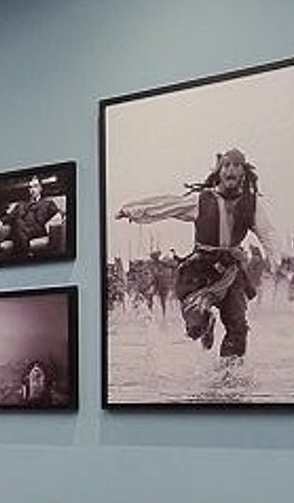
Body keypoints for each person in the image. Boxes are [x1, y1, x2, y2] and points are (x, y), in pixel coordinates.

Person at [116, 146, 277, 360]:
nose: (231, 169)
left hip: (230, 271)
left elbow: (268, 233)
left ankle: (229, 373)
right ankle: (206, 323)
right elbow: (169, 205)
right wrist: (133, 210)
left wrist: (276, 258)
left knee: (238, 327)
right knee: (195, 327)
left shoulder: (252, 204)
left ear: (243, 172)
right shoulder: (202, 200)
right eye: (226, 165)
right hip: (199, 271)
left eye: (236, 165)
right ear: (220, 172)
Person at [0, 174, 66, 263]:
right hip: (19, 230)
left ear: (40, 188)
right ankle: (26, 254)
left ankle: (20, 256)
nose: (32, 189)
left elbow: (60, 213)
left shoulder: (47, 203)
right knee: (17, 223)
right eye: (30, 187)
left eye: (35, 186)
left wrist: (58, 217)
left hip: (35, 230)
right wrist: (0, 221)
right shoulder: (20, 204)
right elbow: (9, 217)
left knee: (17, 223)